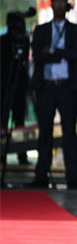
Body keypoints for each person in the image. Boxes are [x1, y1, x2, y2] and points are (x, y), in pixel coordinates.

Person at [31, 0, 77, 189]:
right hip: (46, 86)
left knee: (69, 133)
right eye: (56, 3)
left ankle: (73, 177)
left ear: (67, 6)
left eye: (62, 3)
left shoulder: (76, 30)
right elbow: (38, 56)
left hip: (67, 87)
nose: (59, 6)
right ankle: (41, 176)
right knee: (44, 133)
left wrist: (53, 52)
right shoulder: (41, 30)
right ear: (51, 5)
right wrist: (62, 54)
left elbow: (75, 55)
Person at [1, 9, 32, 166]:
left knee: (20, 122)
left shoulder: (24, 41)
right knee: (3, 122)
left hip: (19, 86)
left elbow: (24, 62)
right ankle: (1, 154)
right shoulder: (3, 41)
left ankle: (22, 154)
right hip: (4, 86)